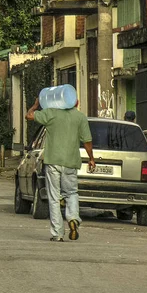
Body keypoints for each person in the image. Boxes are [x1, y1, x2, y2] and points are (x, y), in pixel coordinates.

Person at [26, 97, 95, 242]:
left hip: (53, 162)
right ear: (76, 103)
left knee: (54, 197)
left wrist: (35, 105)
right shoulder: (80, 117)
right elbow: (87, 140)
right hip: (71, 162)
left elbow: (29, 116)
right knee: (71, 192)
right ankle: (73, 218)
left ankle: (57, 233)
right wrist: (91, 158)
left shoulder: (51, 113)